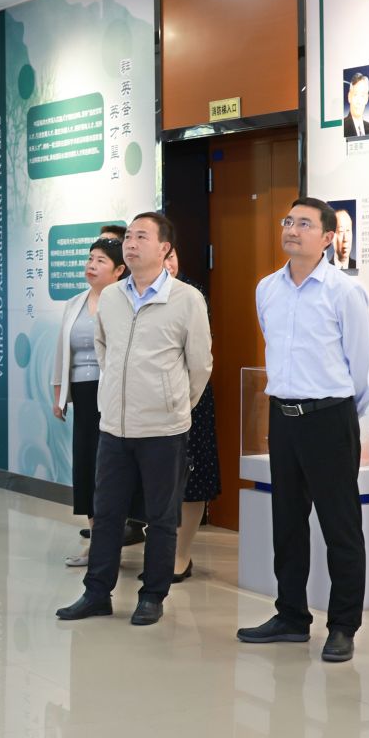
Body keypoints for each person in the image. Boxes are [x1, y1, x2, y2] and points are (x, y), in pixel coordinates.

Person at [56, 213, 212, 627]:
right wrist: (114, 398)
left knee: (161, 518)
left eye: (142, 236)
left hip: (163, 428)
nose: (130, 243)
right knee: (107, 514)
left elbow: (200, 365)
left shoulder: (186, 299)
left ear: (164, 248)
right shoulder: (111, 297)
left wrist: (173, 404)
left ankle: (152, 596)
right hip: (114, 426)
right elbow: (104, 350)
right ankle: (96, 593)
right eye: (128, 236)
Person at [240, 198, 369, 662]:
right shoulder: (267, 288)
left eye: (304, 224)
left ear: (328, 237)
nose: (292, 230)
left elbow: (361, 364)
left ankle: (343, 625)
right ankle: (292, 616)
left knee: (340, 527)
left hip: (330, 418)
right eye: (288, 221)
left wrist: (341, 413)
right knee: (288, 523)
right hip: (283, 418)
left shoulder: (344, 291)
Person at [53, 238, 125, 566]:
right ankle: (97, 543)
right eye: (90, 258)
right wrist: (59, 393)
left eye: (100, 261)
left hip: (112, 394)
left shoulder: (124, 302)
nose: (91, 265)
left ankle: (111, 542)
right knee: (86, 468)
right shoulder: (75, 303)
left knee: (109, 470)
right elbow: (61, 350)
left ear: (119, 270)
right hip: (82, 396)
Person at [164, 247, 218, 582]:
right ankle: (164, 553)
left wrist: (188, 399)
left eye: (172, 256)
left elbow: (199, 359)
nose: (168, 264)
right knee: (161, 480)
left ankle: (181, 556)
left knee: (193, 478)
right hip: (156, 404)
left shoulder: (191, 294)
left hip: (191, 398)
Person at [342, 72, 369, 139]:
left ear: (366, 99)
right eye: (355, 95)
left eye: (362, 96)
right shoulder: (342, 127)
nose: (358, 101)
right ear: (349, 97)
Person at [333, 207, 358, 271]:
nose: (345, 239)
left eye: (348, 230)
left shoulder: (356, 265)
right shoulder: (325, 267)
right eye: (341, 231)